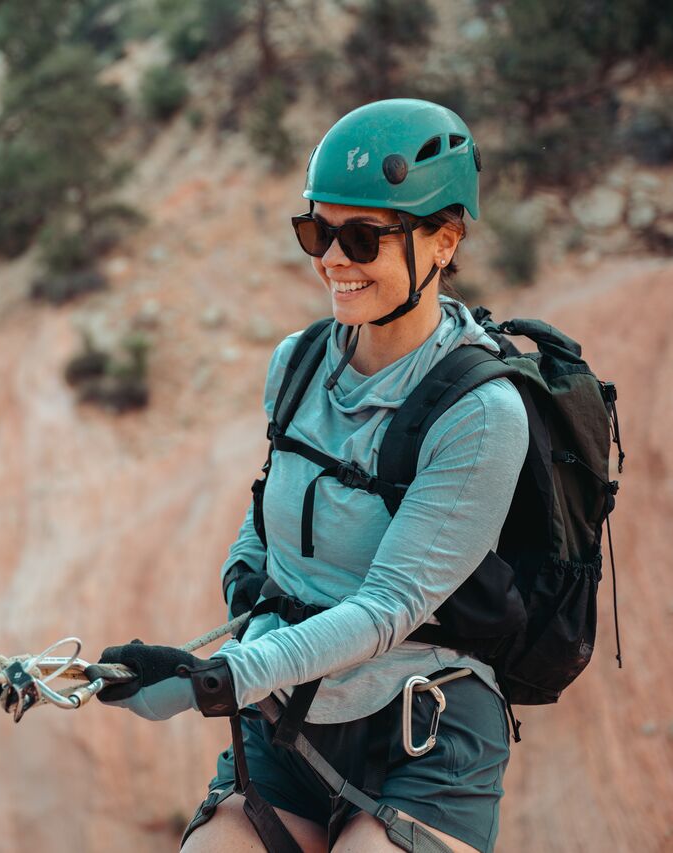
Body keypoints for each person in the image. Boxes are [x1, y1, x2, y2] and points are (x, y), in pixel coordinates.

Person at [90, 99, 529, 853]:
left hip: (422, 729)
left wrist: (223, 674)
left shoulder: (481, 412)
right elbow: (273, 500)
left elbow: (390, 606)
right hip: (290, 720)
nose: (331, 258)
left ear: (444, 239)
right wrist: (244, 576)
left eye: (362, 237)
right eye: (316, 231)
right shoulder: (297, 361)